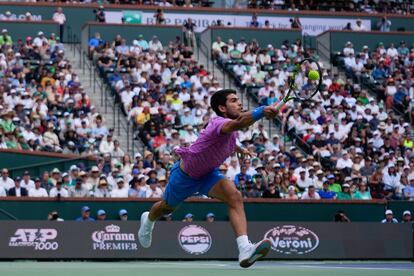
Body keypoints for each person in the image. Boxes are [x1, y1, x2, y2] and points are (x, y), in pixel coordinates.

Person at [138, 89, 279, 268]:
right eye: (234, 100)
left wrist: (239, 149)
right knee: (165, 209)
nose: (240, 103)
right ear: (222, 107)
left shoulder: (229, 129)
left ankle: (244, 248)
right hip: (184, 177)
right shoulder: (218, 123)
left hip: (208, 175)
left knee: (234, 196)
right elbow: (239, 123)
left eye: (239, 100)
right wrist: (262, 110)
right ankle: (148, 220)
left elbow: (229, 138)